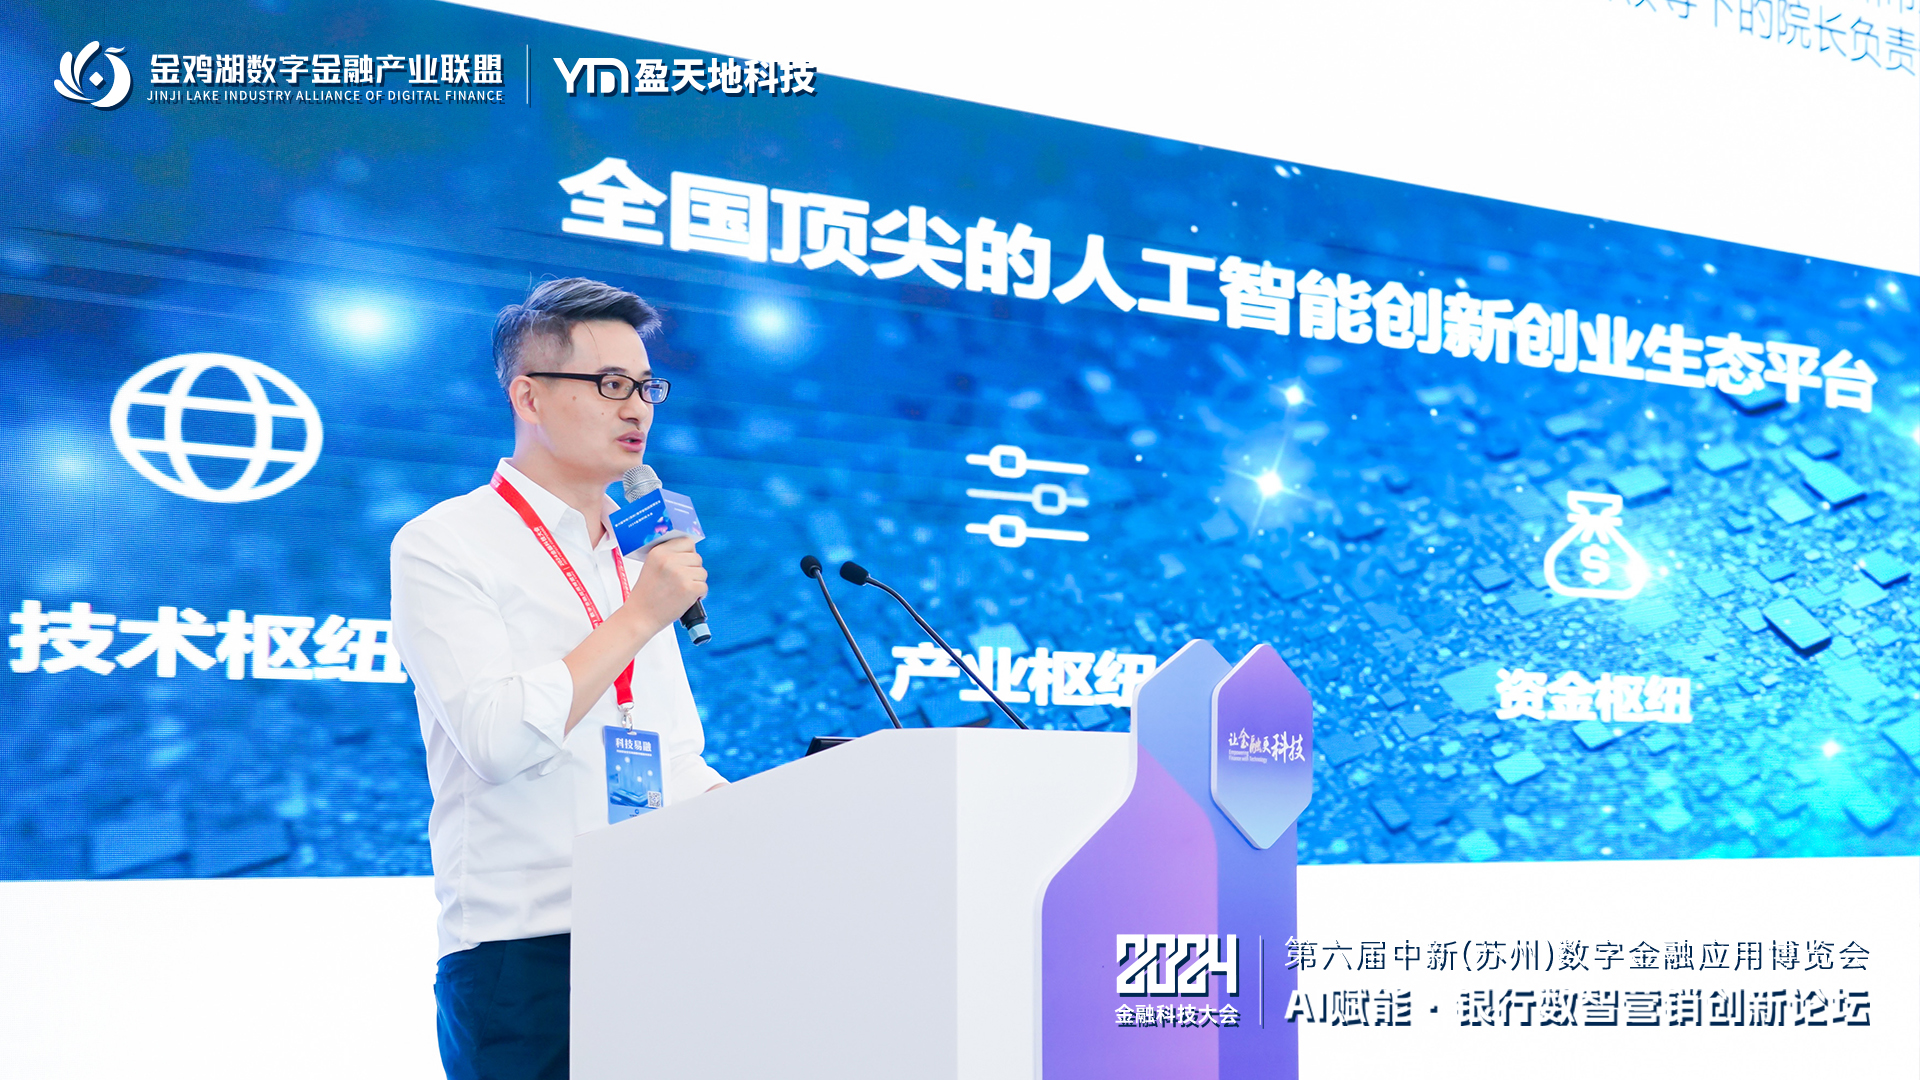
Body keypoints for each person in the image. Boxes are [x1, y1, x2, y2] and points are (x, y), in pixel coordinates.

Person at [390, 278, 726, 1080]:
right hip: (524, 953)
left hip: (659, 939)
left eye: (646, 387)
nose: (637, 408)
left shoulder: (641, 552)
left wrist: (779, 816)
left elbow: (674, 752)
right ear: (529, 396)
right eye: (610, 385)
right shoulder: (445, 542)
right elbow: (495, 740)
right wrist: (639, 617)